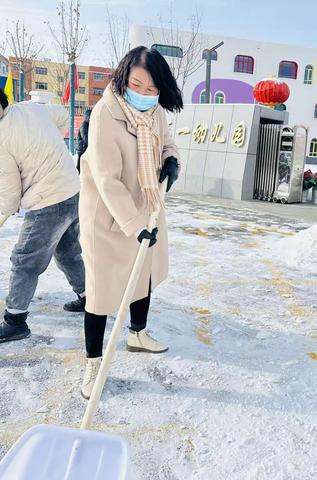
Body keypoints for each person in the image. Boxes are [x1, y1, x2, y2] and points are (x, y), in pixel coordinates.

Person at [79, 46, 183, 399]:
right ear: (123, 76)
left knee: (144, 274)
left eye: (152, 90)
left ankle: (137, 334)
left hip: (147, 206)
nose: (143, 94)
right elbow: (107, 179)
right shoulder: (105, 116)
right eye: (137, 85)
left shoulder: (155, 113)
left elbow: (168, 143)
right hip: (109, 215)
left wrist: (171, 161)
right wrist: (135, 222)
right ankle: (93, 363)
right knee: (101, 291)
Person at [0, 87, 86, 343]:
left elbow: (9, 194)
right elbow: (61, 116)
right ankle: (88, 297)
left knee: (25, 259)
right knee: (68, 252)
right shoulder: (31, 108)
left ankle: (15, 320)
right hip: (72, 189)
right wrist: (52, 143)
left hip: (47, 201)